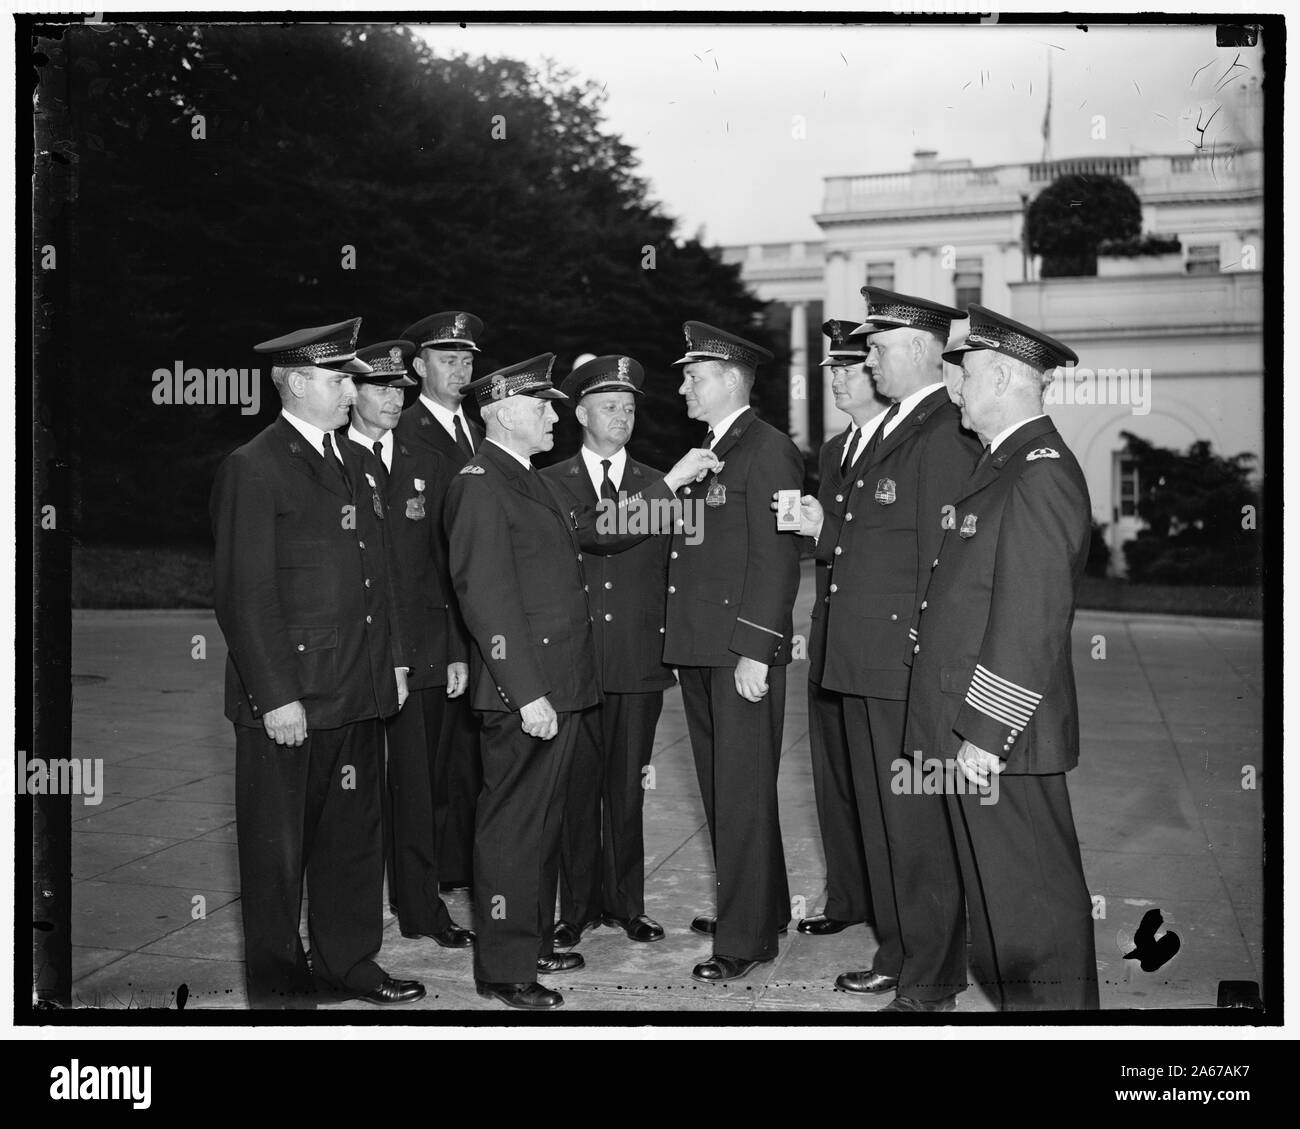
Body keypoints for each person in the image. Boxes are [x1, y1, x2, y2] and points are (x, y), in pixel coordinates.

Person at [210, 317, 424, 1008]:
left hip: (357, 688)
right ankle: (279, 991)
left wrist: (391, 662)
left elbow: (380, 573)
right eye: (339, 380)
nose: (350, 391)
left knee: (352, 841)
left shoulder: (356, 461)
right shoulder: (255, 465)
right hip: (292, 699)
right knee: (278, 855)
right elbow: (243, 592)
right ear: (298, 382)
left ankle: (348, 963)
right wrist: (275, 695)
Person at [904, 304, 1098, 1012]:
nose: (957, 384)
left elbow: (1031, 614)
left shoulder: (1039, 470)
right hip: (973, 730)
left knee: (1033, 915)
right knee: (1004, 920)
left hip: (1003, 740)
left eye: (968, 370)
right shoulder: (1005, 462)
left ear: (1008, 376)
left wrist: (986, 734)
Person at [442, 353, 599, 1011]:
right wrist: (526, 691)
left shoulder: (523, 477)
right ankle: (504, 967)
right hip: (528, 691)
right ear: (506, 412)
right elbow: (486, 597)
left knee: (538, 826)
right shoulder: (481, 482)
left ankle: (525, 937)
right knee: (511, 828)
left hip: (558, 685)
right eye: (544, 404)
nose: (555, 414)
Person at [663, 321, 803, 983]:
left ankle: (745, 938)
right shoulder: (707, 450)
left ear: (726, 378)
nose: (683, 384)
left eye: (693, 374)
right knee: (728, 786)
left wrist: (756, 648)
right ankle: (763, 904)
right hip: (700, 647)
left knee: (741, 791)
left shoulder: (768, 449)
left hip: (737, 652)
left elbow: (776, 558)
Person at [340, 339, 475, 951]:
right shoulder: (337, 459)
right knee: (356, 793)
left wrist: (451, 648)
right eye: (378, 389)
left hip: (423, 651)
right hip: (358, 656)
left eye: (398, 390)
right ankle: (350, 921)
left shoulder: (425, 454)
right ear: (352, 393)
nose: (392, 401)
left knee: (423, 786)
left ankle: (422, 908)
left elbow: (440, 562)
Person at [542, 355, 674, 949]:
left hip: (639, 662)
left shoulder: (660, 481)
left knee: (627, 787)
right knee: (575, 787)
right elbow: (590, 531)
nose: (621, 417)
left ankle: (627, 904)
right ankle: (576, 907)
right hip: (576, 662)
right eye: (608, 407)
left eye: (629, 408)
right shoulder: (548, 482)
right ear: (580, 413)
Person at [793, 319, 885, 940]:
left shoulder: (906, 443)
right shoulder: (834, 450)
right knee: (834, 775)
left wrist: (820, 532)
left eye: (851, 367)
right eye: (832, 369)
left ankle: (889, 906)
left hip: (877, 641)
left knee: (881, 781)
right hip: (830, 631)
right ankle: (848, 896)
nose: (838, 379)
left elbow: (869, 547)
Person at [397, 310, 485, 892]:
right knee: (422, 771)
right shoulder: (401, 434)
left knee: (469, 765)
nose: (461, 370)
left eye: (468, 360)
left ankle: (458, 873)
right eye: (447, 359)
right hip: (431, 632)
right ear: (417, 366)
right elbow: (413, 552)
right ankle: (419, 890)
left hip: (482, 631)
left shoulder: (482, 430)